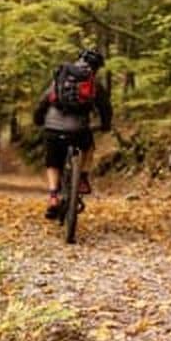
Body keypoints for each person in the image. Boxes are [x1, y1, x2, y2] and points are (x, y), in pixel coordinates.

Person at [34, 48, 112, 219]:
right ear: (97, 67)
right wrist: (106, 125)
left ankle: (53, 196)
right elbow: (105, 108)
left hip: (53, 129)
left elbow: (44, 100)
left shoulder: (62, 77)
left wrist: (38, 119)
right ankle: (82, 178)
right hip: (79, 130)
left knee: (53, 162)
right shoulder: (94, 83)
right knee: (89, 147)